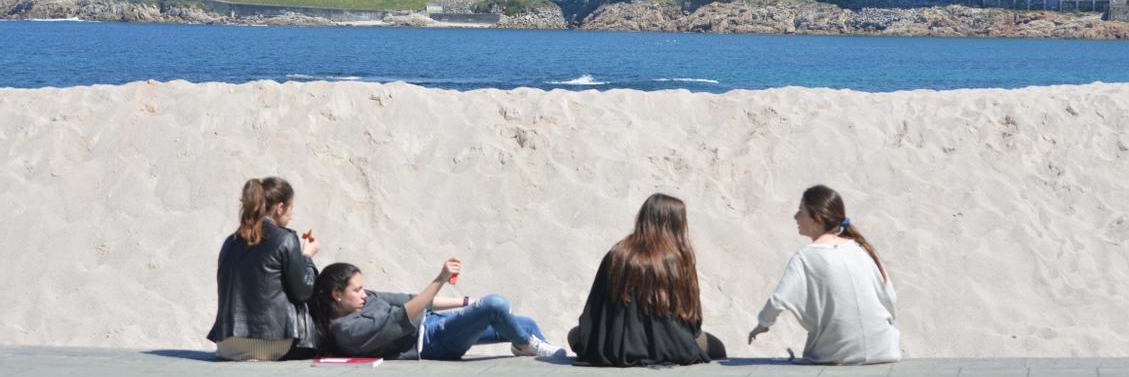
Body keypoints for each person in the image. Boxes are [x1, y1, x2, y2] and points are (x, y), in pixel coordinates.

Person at [748, 184, 900, 364]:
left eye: (800, 211)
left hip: (838, 354)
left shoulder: (806, 256)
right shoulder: (861, 249)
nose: (795, 217)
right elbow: (889, 297)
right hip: (886, 349)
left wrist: (763, 324)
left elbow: (778, 299)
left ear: (817, 219)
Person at [569, 193, 726, 367]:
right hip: (672, 346)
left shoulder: (618, 253)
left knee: (574, 335)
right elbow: (692, 315)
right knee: (717, 347)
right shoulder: (678, 257)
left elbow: (594, 308)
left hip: (616, 347)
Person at [308, 260, 567, 360]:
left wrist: (467, 303)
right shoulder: (346, 330)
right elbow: (402, 317)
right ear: (336, 295)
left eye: (363, 287)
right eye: (357, 290)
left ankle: (527, 344)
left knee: (526, 323)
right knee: (495, 304)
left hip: (436, 322)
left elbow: (415, 300)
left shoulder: (367, 298)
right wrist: (440, 279)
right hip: (432, 341)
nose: (364, 294)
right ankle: (524, 345)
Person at [207, 177, 321, 361]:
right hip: (270, 343)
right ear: (280, 208)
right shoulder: (285, 239)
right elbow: (304, 291)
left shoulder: (230, 241)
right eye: (291, 208)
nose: (291, 214)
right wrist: (307, 257)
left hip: (227, 344)